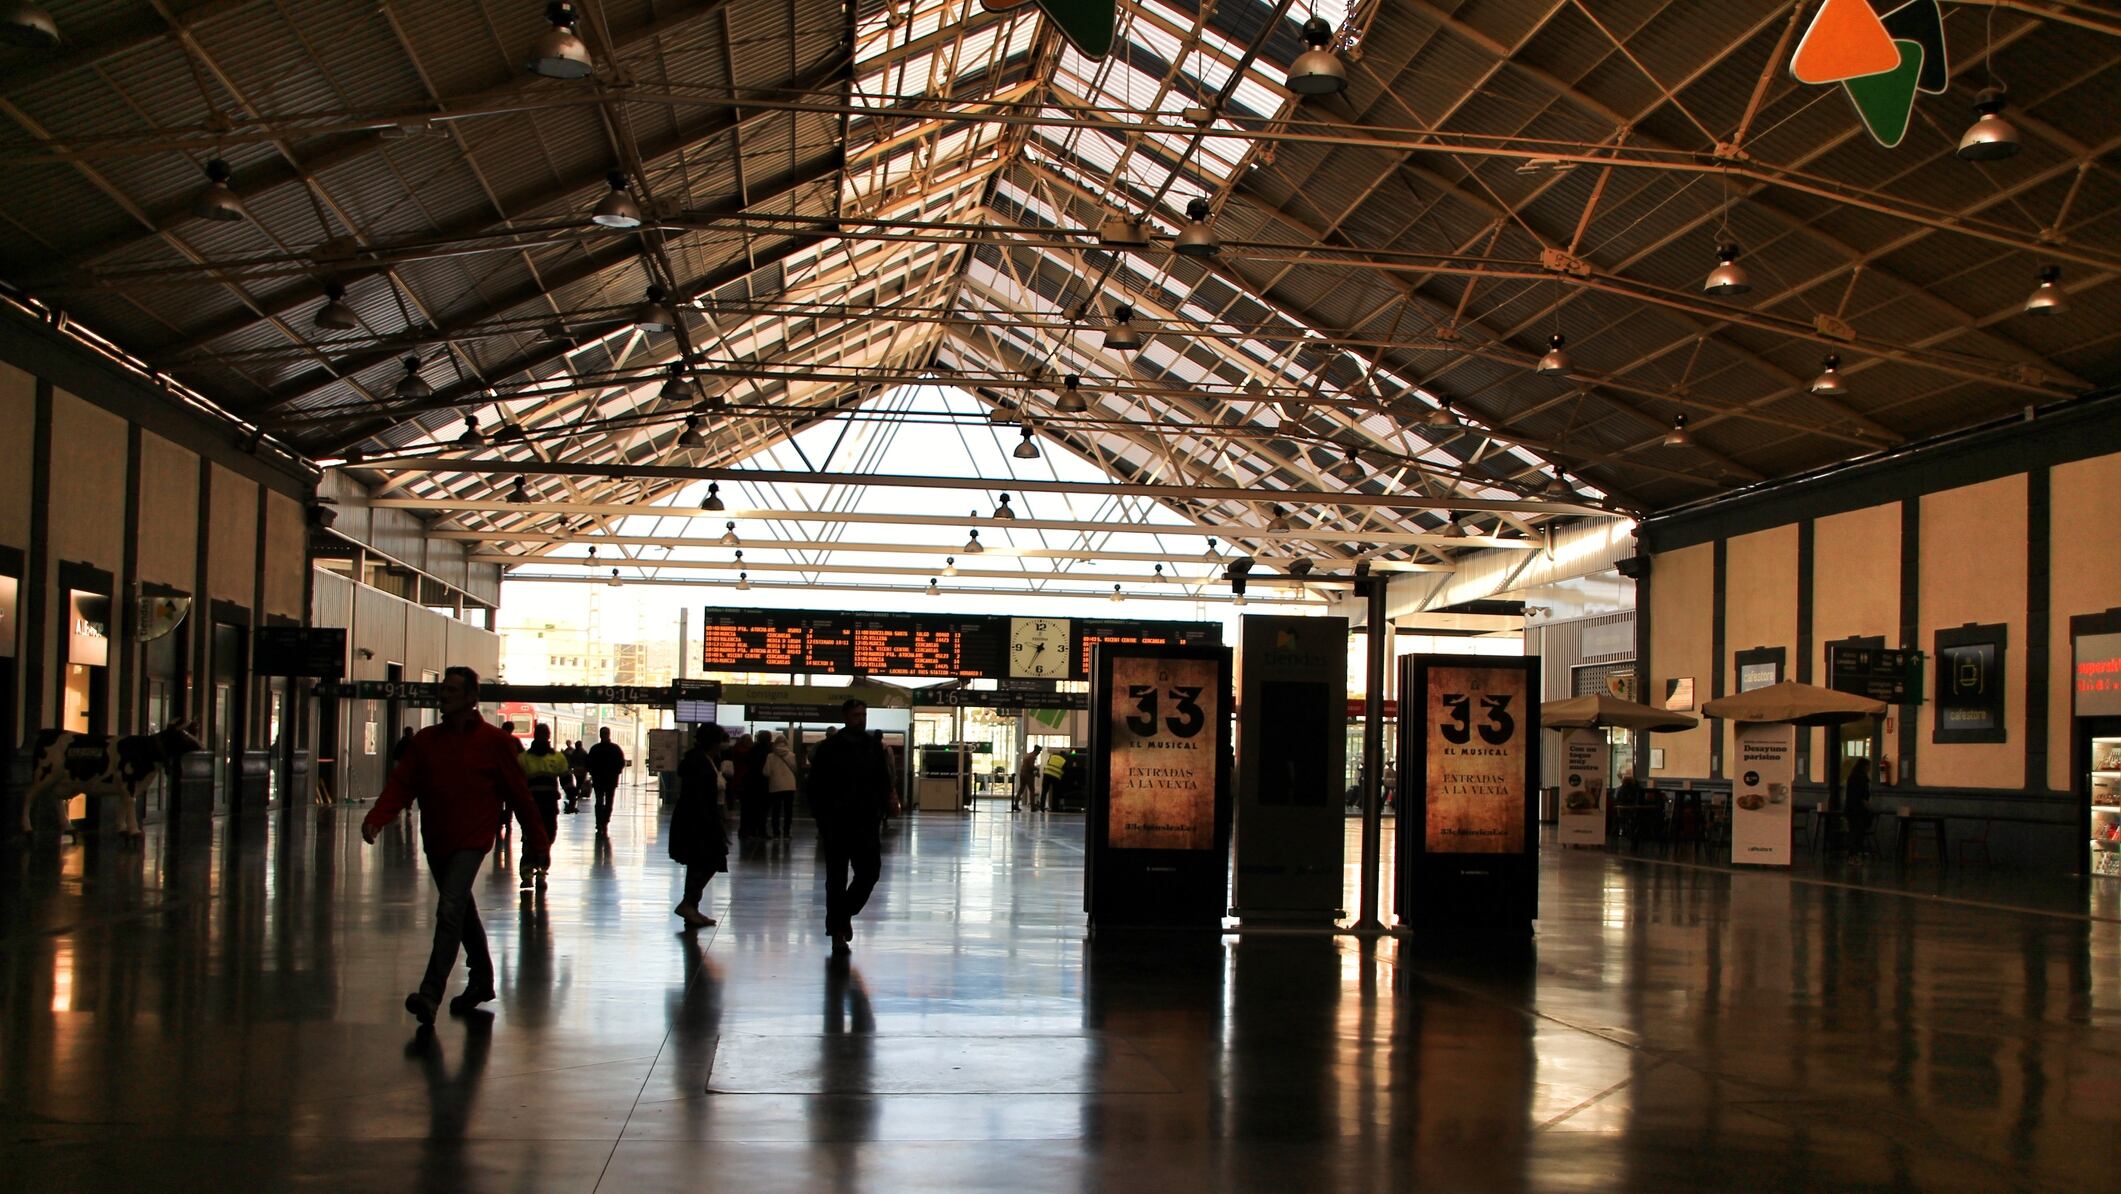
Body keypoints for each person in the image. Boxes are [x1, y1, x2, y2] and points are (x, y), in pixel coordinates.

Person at [360, 666, 548, 1024]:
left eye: (452, 690)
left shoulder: (497, 744)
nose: (444, 695)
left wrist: (538, 843)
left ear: (471, 698)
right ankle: (481, 980)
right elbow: (402, 784)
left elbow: (521, 797)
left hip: (472, 840)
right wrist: (377, 818)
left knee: (449, 909)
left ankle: (430, 994)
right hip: (437, 839)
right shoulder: (426, 742)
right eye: (443, 689)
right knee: (460, 909)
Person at [807, 699, 898, 955]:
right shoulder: (830, 749)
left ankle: (842, 914)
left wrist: (883, 807)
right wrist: (822, 818)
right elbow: (815, 786)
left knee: (870, 873)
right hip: (837, 823)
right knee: (836, 878)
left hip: (865, 822)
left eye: (864, 714)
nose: (861, 719)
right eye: (857, 714)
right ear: (845, 716)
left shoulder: (872, 747)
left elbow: (883, 780)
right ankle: (837, 930)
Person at [671, 723, 730, 927]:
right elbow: (702, 796)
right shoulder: (701, 763)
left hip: (695, 818)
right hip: (699, 820)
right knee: (709, 859)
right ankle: (689, 903)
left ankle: (691, 906)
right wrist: (714, 823)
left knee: (699, 861)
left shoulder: (702, 759)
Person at [516, 723, 568, 891]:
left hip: (538, 807)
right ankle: (538, 872)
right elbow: (566, 779)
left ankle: (530, 872)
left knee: (536, 838)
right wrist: (572, 797)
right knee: (542, 839)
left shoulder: (524, 758)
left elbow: (517, 782)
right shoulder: (556, 758)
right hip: (539, 807)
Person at [586, 727, 626, 837]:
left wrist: (593, 773)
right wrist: (616, 772)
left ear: (600, 735)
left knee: (599, 801)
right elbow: (621, 763)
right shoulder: (615, 749)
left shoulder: (595, 749)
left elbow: (589, 763)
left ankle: (599, 822)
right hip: (611, 780)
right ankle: (605, 822)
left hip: (598, 780)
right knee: (609, 802)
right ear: (609, 734)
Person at [762, 730, 798, 839]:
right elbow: (795, 770)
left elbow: (766, 772)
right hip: (790, 785)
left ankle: (776, 833)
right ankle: (787, 832)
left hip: (776, 785)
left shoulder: (770, 756)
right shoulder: (792, 755)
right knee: (788, 810)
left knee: (776, 811)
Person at [737, 731, 771, 842]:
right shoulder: (769, 752)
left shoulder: (752, 751)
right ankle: (761, 831)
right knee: (762, 809)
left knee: (748, 809)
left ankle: (748, 831)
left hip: (750, 783)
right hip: (763, 783)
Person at [1843, 758, 1875, 850]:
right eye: (1868, 766)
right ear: (1864, 766)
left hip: (1851, 810)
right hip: (1858, 811)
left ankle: (1853, 855)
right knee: (1857, 833)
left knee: (1853, 832)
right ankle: (1854, 854)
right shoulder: (1861, 778)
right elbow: (1861, 796)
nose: (1869, 768)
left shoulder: (1852, 777)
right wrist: (1869, 808)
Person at [565, 740, 590, 813]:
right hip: (583, 769)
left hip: (576, 769)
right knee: (581, 782)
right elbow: (587, 761)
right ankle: (578, 793)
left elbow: (571, 761)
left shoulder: (574, 753)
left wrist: (571, 767)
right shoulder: (584, 752)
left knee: (578, 781)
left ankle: (577, 792)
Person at [1040, 745, 1067, 812]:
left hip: (1047, 774)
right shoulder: (1064, 760)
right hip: (1055, 776)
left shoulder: (1052, 756)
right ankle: (1055, 808)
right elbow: (1064, 770)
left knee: (1044, 791)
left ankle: (1042, 807)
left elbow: (1048, 763)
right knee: (1055, 793)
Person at [1015, 747, 1039, 813]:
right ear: (1037, 751)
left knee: (1021, 789)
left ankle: (1016, 804)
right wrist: (1037, 769)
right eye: (1039, 752)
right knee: (1032, 790)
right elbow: (1031, 767)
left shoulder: (1027, 755)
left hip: (1022, 773)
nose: (1039, 753)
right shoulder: (1032, 756)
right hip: (1028, 775)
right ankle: (1033, 807)